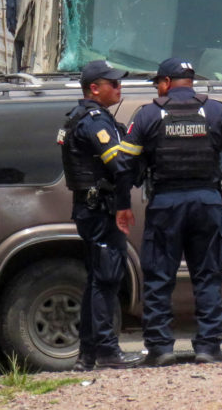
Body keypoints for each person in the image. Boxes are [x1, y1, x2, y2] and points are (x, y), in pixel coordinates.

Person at [119, 58, 222, 366]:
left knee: (159, 277)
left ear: (167, 82)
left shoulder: (148, 114)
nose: (157, 88)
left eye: (158, 83)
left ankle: (160, 349)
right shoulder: (218, 111)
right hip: (206, 202)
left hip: (166, 204)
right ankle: (208, 347)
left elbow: (124, 163)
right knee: (208, 276)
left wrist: (123, 203)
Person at [58, 60, 144, 370]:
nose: (120, 88)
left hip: (93, 209)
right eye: (114, 83)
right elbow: (120, 166)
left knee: (98, 279)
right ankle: (107, 351)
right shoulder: (95, 121)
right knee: (106, 279)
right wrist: (126, 199)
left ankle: (88, 354)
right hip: (100, 210)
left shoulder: (85, 117)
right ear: (94, 88)